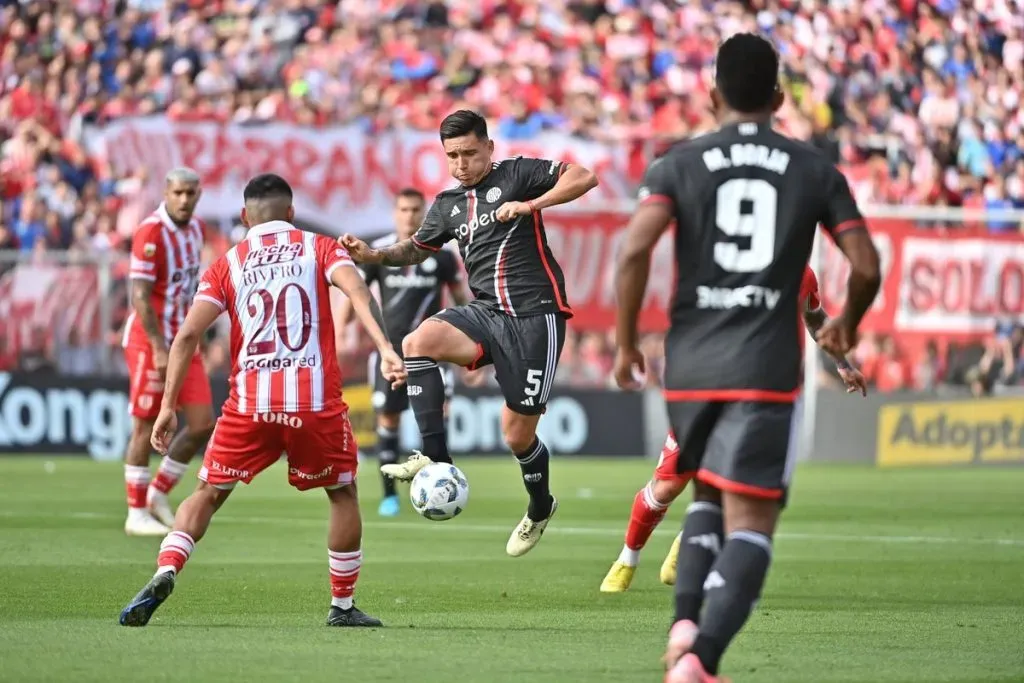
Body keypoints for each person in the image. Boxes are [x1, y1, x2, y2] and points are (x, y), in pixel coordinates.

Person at [613, 34, 881, 683]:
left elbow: (632, 253)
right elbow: (866, 265)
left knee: (706, 493)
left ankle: (683, 626)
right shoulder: (814, 168)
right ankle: (701, 661)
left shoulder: (679, 163)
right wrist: (848, 322)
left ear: (711, 97)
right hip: (763, 367)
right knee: (752, 522)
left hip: (692, 366)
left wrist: (625, 345)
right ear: (779, 98)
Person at [118, 173, 404, 628]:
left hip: (249, 403)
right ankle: (343, 607)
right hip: (313, 402)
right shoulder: (320, 246)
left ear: (244, 217)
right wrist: (387, 349)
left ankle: (166, 569)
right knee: (342, 492)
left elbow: (189, 333)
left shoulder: (228, 262)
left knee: (207, 493)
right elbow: (356, 290)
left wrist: (168, 405)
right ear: (290, 213)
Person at [340, 110, 598, 557]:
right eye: (452, 156)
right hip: (484, 312)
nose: (460, 164)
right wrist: (375, 255)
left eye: (469, 154)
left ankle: (540, 506)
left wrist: (531, 205)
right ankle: (437, 460)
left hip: (535, 317)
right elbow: (416, 249)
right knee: (417, 343)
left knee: (516, 436)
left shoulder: (518, 174)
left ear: (489, 148)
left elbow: (584, 177)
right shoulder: (447, 205)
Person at [600, 266, 868, 593]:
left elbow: (814, 318)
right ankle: (628, 558)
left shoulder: (799, 272)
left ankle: (690, 541)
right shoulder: (725, 264)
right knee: (667, 486)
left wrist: (842, 363)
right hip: (707, 390)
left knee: (737, 482)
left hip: (759, 397)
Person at [333, 188, 471, 517]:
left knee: (440, 414)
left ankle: (440, 487)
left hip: (433, 353)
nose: (409, 215)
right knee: (388, 418)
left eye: (415, 209)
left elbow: (460, 298)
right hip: (391, 353)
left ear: (423, 213)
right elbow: (357, 294)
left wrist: (473, 337)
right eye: (404, 209)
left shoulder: (442, 255)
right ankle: (389, 496)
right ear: (396, 213)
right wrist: (343, 329)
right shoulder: (378, 253)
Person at [121, 168, 215, 537]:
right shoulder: (150, 232)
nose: (184, 200)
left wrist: (199, 335)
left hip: (184, 342)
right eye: (178, 193)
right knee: (145, 424)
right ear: (166, 192)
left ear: (199, 193)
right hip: (151, 341)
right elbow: (140, 296)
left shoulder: (196, 230)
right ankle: (135, 512)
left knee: (202, 423)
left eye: (191, 193)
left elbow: (190, 288)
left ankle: (156, 494)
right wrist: (159, 347)